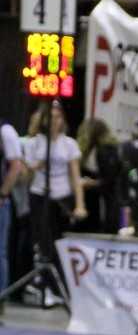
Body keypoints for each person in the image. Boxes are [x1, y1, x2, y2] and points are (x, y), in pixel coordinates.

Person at [27, 101, 86, 290]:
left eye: (58, 117)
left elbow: (75, 176)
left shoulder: (69, 144)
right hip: (39, 194)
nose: (54, 121)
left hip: (61, 196)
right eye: (51, 118)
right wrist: (34, 167)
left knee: (60, 240)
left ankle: (62, 285)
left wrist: (80, 204)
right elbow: (27, 173)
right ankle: (46, 284)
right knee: (43, 239)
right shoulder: (36, 142)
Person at [76, 117, 121, 233]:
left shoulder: (105, 151)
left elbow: (109, 180)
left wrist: (91, 183)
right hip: (96, 201)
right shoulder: (93, 150)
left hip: (104, 203)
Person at [0, 118, 25, 309]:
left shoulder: (6, 130)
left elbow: (16, 166)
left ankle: (0, 299)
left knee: (0, 252)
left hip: (1, 200)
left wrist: (3, 193)